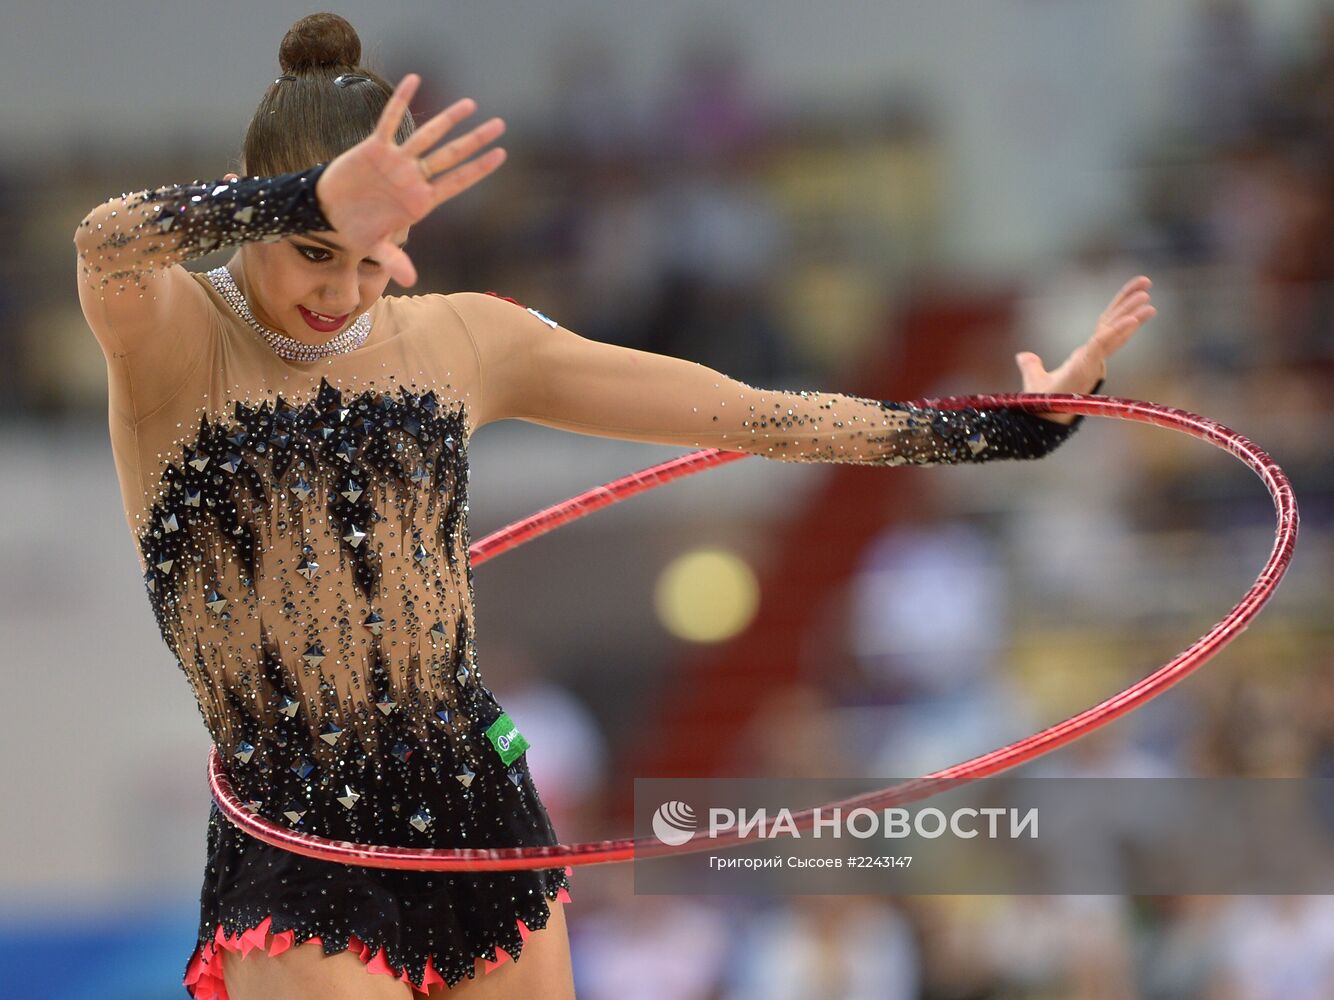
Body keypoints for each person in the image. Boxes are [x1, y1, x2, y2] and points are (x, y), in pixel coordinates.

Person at [72, 13, 1156, 1000]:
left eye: (368, 259)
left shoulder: (457, 341)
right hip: (297, 827)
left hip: (473, 797)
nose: (343, 291)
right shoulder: (175, 336)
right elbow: (106, 240)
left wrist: (995, 427)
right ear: (253, 204)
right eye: (314, 251)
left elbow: (744, 415)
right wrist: (302, 199)